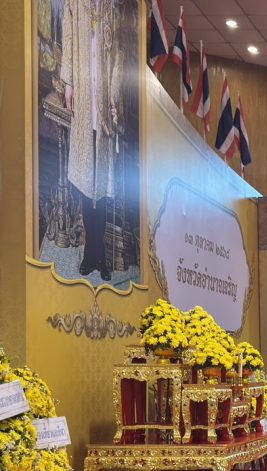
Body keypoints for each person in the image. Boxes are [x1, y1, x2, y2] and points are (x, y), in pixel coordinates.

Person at [60, 0, 127, 281]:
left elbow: (118, 56)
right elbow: (68, 38)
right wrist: (68, 84)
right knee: (88, 186)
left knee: (102, 187)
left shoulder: (110, 8)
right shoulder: (75, 4)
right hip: (84, 104)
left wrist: (114, 94)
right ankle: (91, 253)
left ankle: (101, 255)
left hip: (104, 109)